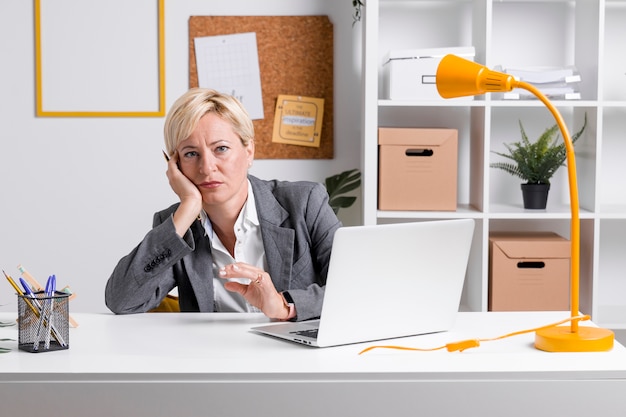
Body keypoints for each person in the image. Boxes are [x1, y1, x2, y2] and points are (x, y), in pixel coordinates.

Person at [105, 88, 342, 321]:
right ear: (174, 165)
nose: (207, 168)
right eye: (190, 154)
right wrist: (188, 205)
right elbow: (122, 300)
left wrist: (284, 306)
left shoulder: (304, 203)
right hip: (213, 358)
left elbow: (355, 286)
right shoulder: (177, 227)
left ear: (249, 151)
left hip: (296, 357)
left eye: (221, 149)